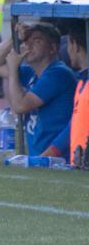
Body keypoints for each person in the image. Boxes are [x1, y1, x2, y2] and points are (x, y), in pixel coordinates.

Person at [0, 23, 74, 156]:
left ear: (53, 48)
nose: (29, 45)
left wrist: (13, 70)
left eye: (37, 41)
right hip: (39, 158)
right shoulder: (31, 72)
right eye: (26, 41)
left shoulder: (58, 73)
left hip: (57, 160)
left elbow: (20, 106)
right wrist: (14, 38)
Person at [49, 23, 89, 166]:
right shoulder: (81, 82)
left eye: (69, 44)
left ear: (75, 45)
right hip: (78, 166)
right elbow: (74, 124)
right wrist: (51, 152)